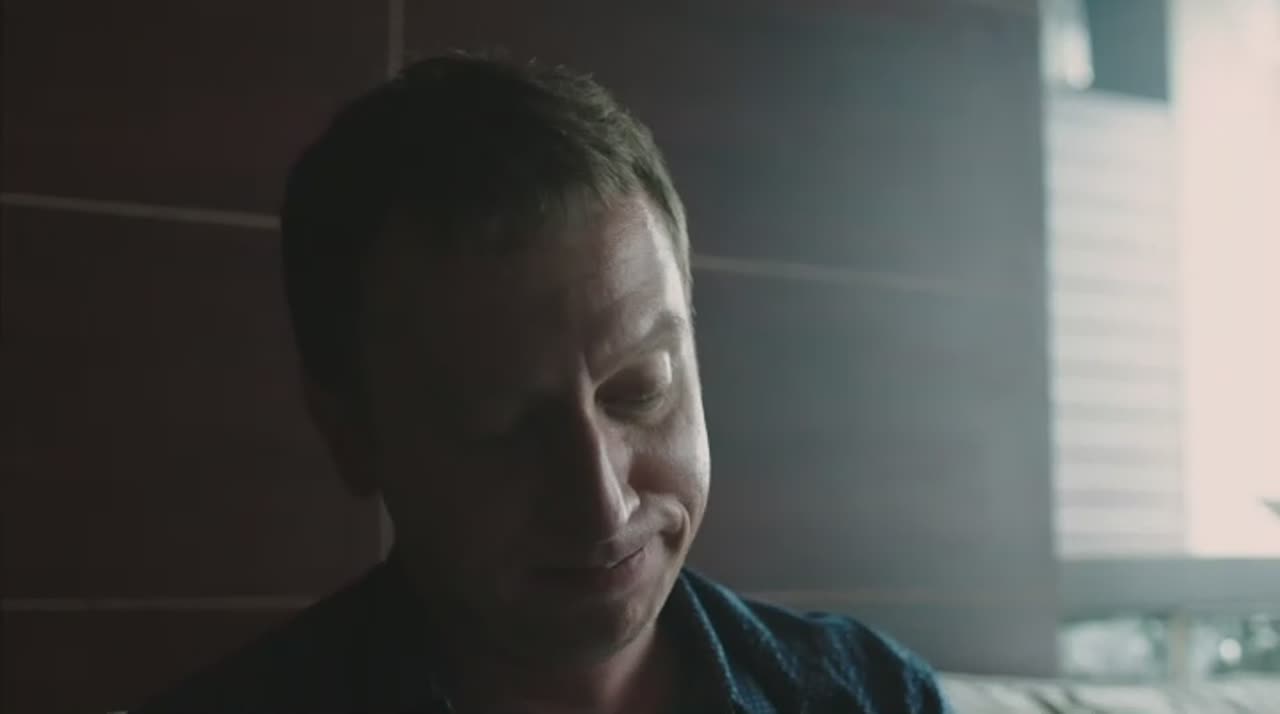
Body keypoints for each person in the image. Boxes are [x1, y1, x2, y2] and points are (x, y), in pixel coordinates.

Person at [132, 53, 953, 714]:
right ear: (350, 433)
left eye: (641, 389)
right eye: (500, 426)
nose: (602, 505)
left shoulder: (871, 695)